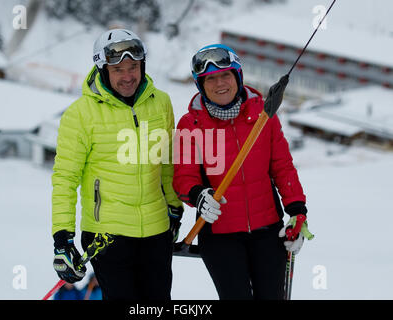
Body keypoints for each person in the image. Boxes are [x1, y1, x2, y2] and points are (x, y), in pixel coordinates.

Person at [51, 28, 183, 300]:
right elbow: (65, 178)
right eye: (118, 69)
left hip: (156, 230)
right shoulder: (80, 114)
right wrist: (62, 238)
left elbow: (167, 161)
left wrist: (173, 206)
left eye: (133, 67)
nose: (128, 77)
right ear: (103, 70)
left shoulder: (161, 103)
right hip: (107, 234)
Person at [172, 44, 309, 300]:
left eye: (226, 75)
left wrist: (297, 211)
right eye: (209, 79)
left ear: (238, 76)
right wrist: (198, 195)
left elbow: (282, 166)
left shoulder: (263, 113)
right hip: (220, 236)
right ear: (200, 85)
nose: (219, 83)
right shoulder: (191, 123)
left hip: (268, 231)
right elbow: (183, 176)